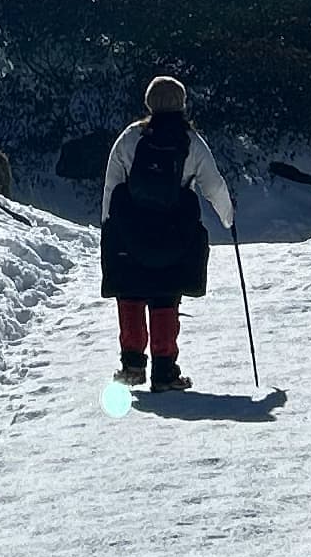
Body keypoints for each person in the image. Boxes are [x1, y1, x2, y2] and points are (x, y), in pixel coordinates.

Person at [100, 75, 234, 390]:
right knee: (165, 296)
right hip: (175, 230)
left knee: (130, 293)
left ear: (149, 102)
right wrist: (229, 218)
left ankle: (132, 366)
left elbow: (112, 183)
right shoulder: (192, 142)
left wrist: (109, 224)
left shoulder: (130, 138)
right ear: (181, 103)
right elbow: (213, 185)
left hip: (131, 228)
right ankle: (164, 371)